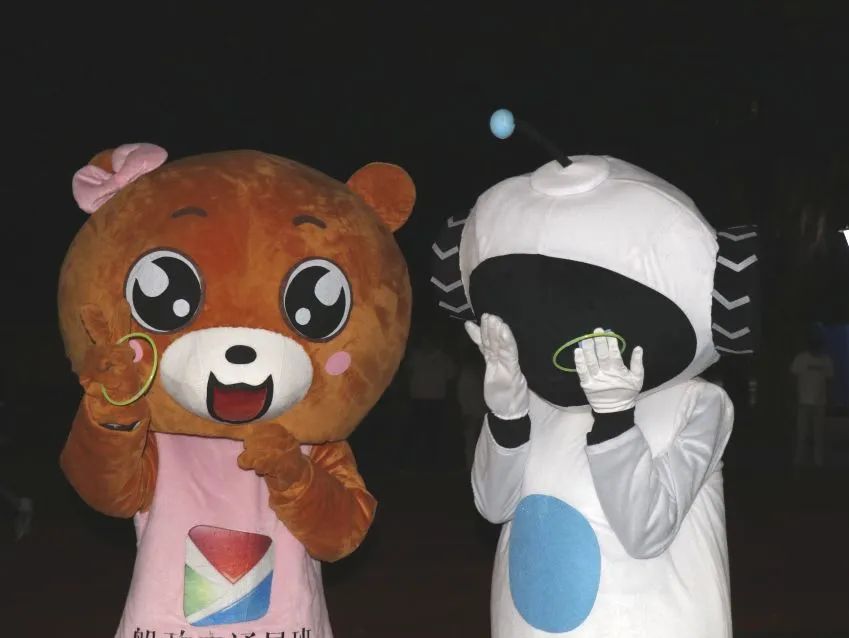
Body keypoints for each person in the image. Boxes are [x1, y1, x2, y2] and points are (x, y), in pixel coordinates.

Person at [790, 330, 834, 467]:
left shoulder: (826, 360)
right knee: (802, 434)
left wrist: (829, 400)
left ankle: (817, 461)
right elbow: (793, 379)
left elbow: (829, 381)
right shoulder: (801, 358)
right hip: (804, 402)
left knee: (818, 434)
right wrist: (794, 397)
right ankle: (799, 460)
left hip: (819, 403)